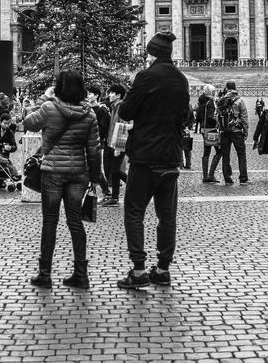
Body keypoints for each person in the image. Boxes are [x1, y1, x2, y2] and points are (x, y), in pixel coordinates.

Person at [117, 31, 190, 290]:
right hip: (171, 157)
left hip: (145, 157)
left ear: (151, 54)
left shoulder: (145, 77)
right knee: (167, 216)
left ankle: (138, 270)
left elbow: (126, 111)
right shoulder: (182, 80)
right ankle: (162, 269)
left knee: (134, 212)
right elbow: (186, 116)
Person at [22, 70, 106, 290]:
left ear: (58, 87)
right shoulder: (90, 114)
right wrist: (95, 178)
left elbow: (28, 122)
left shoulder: (49, 108)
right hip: (78, 173)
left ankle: (45, 273)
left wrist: (45, 98)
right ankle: (81, 273)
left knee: (50, 221)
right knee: (75, 222)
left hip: (52, 173)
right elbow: (94, 150)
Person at [215, 80, 250, 185]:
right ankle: (243, 178)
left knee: (225, 155)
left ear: (226, 88)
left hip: (224, 131)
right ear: (235, 88)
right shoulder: (239, 100)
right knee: (241, 154)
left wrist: (220, 128)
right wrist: (246, 131)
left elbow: (216, 115)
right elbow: (244, 117)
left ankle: (227, 178)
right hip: (236, 130)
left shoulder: (221, 100)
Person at [195, 90, 221, 184]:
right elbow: (210, 117)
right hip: (210, 129)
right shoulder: (210, 103)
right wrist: (217, 120)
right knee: (219, 151)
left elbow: (198, 117)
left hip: (204, 128)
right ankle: (210, 175)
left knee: (206, 152)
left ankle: (205, 175)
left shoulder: (202, 102)